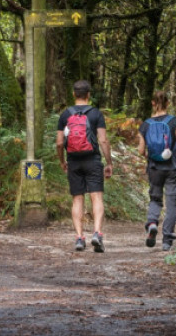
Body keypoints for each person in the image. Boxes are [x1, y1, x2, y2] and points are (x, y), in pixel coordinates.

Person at [56, 80, 113, 253]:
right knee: (96, 197)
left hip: (73, 160)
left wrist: (62, 161)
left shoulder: (65, 115)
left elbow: (59, 143)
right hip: (93, 160)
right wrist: (109, 162)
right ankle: (97, 233)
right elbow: (103, 140)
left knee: (77, 199)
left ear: (74, 94)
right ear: (89, 95)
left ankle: (80, 238)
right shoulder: (96, 114)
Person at [137, 91, 176, 252]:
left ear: (153, 103)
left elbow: (140, 150)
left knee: (155, 199)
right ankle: (167, 240)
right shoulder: (175, 121)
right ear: (168, 103)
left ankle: (152, 223)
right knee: (172, 203)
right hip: (173, 167)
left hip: (154, 168)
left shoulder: (145, 124)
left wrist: (149, 155)